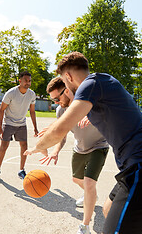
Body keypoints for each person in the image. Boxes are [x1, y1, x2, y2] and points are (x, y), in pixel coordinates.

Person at [25, 52, 142, 234]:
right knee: (107, 209)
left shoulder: (91, 84)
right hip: (135, 169)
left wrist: (35, 148)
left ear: (69, 77)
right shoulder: (99, 85)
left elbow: (59, 131)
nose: (65, 89)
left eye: (64, 83)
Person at [41, 77, 108, 234]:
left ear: (66, 91)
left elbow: (106, 116)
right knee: (76, 179)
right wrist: (55, 151)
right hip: (79, 148)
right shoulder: (61, 111)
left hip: (99, 146)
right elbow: (62, 136)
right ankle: (90, 195)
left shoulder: (87, 103)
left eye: (57, 98)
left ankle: (85, 226)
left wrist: (91, 118)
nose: (56, 102)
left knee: (90, 183)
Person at [0, 71, 38, 183]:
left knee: (24, 146)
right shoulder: (11, 93)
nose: (28, 82)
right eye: (26, 80)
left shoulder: (31, 94)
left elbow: (32, 111)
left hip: (21, 124)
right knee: (4, 146)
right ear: (20, 81)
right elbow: (2, 110)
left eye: (30, 80)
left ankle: (21, 170)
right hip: (9, 123)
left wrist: (35, 127)